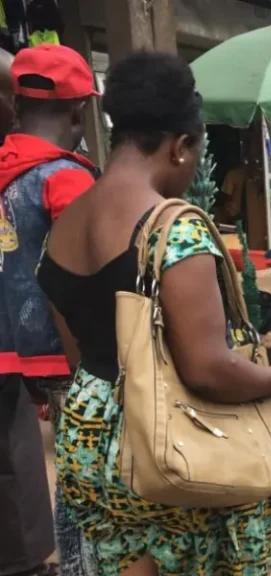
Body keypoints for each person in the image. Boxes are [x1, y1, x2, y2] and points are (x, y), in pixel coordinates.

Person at [36, 50, 271, 576]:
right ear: (181, 146)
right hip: (167, 447)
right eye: (195, 155)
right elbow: (206, 367)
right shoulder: (175, 228)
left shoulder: (64, 224)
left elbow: (84, 355)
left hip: (89, 435)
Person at [0, 45, 100, 576]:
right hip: (61, 353)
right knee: (85, 473)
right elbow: (85, 271)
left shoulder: (6, 169)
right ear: (79, 111)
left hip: (9, 346)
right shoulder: (64, 177)